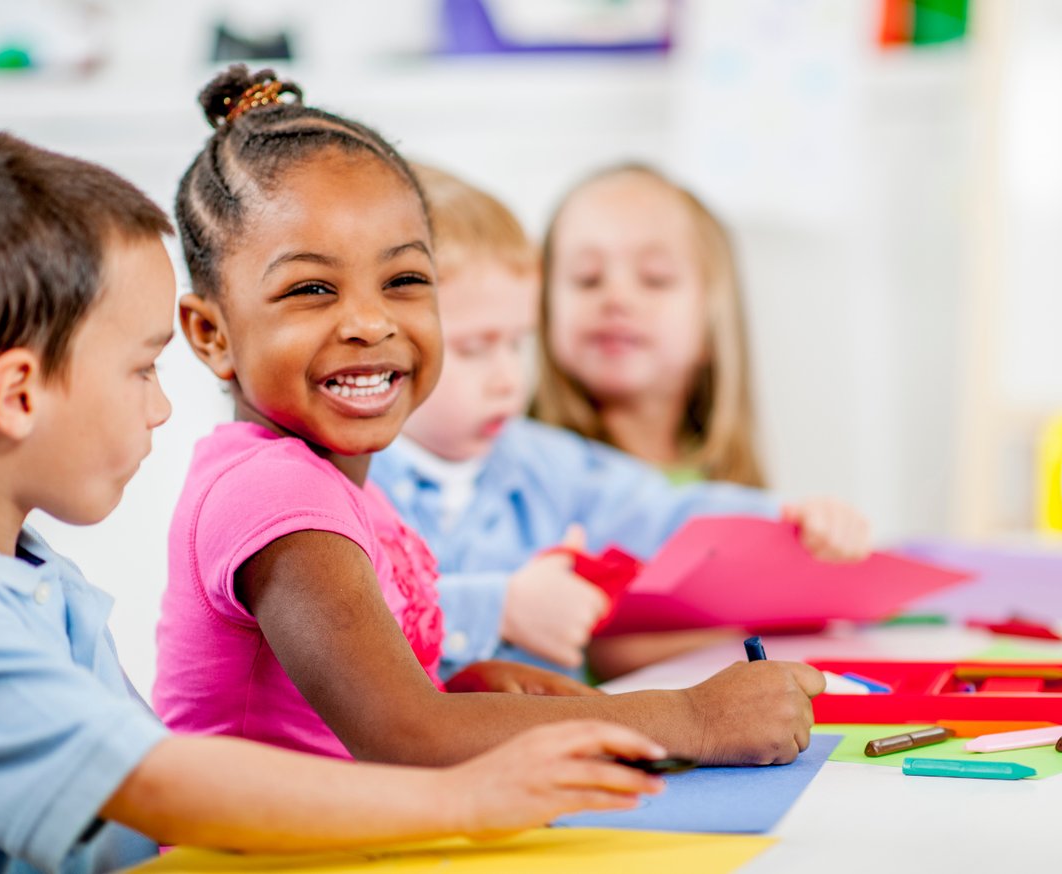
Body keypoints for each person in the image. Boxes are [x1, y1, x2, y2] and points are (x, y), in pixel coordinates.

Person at [0, 124, 668, 874]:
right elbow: (155, 784)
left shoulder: (19, 570)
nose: (160, 409)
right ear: (18, 395)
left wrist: (452, 702)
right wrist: (464, 796)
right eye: (142, 370)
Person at [155, 65, 824, 771]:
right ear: (212, 334)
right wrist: (694, 718)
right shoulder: (277, 495)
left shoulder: (343, 487)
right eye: (312, 288)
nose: (370, 323)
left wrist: (468, 689)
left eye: (404, 280)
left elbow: (368, 717)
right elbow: (406, 735)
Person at [370, 164, 870, 681]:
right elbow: (347, 619)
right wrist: (499, 609)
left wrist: (791, 520)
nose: (509, 379)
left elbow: (664, 513)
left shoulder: (546, 461)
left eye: (518, 344)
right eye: (475, 348)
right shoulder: (351, 480)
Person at [534, 164, 765, 486]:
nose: (616, 298)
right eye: (588, 278)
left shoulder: (729, 492)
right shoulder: (521, 475)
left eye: (655, 278)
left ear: (712, 321)